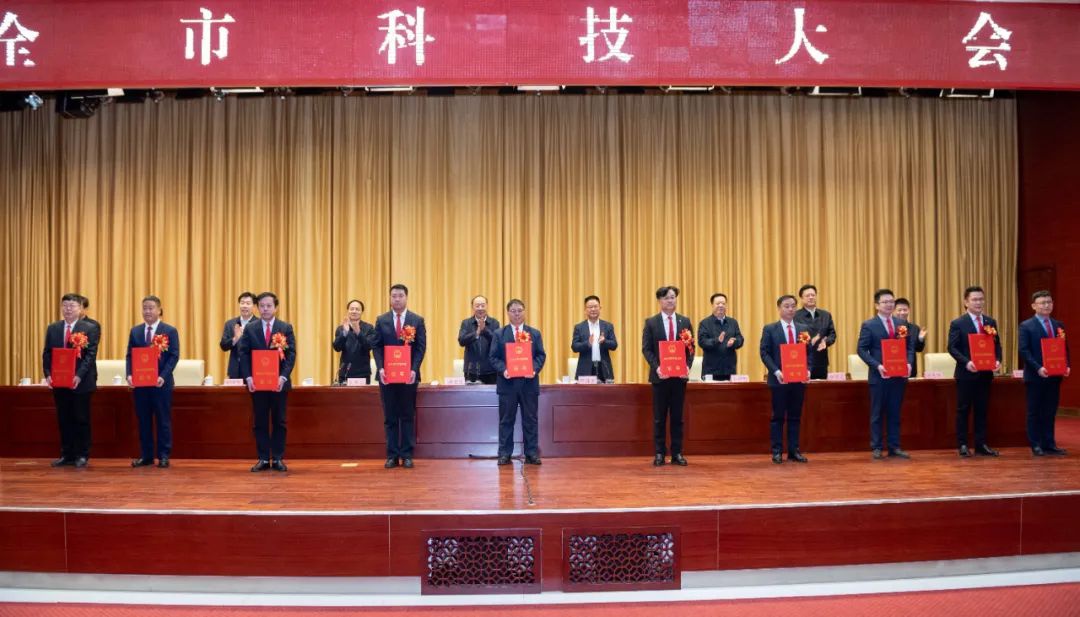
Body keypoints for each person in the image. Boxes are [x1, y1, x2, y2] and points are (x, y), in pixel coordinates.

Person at [238, 292, 296, 472]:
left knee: (279, 421)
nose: (265, 309)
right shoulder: (250, 328)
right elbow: (243, 353)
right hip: (258, 384)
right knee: (260, 421)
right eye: (262, 306)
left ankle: (278, 458)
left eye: (269, 306)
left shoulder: (285, 327)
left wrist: (283, 377)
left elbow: (291, 355)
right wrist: (248, 377)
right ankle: (263, 458)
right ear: (258, 308)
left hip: (279, 384)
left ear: (275, 307)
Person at [42, 293, 101, 468]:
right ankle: (66, 454)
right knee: (64, 418)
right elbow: (47, 353)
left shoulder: (89, 328)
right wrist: (48, 374)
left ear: (80, 308)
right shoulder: (53, 328)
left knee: (81, 418)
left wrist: (78, 375)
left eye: (72, 306)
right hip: (59, 381)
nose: (68, 309)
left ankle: (82, 454)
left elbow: (90, 356)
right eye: (65, 305)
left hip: (81, 381)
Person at [372, 284, 427, 469]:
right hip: (387, 377)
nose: (397, 299)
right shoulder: (381, 320)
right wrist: (380, 368)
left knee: (407, 415)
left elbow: (420, 348)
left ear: (406, 297)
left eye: (400, 295)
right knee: (390, 416)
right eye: (394, 296)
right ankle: (392, 455)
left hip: (408, 377)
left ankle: (407, 455)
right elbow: (376, 346)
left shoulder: (416, 320)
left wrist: (414, 369)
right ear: (390, 298)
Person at [856, 289, 915, 460]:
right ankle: (876, 447)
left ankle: (894, 446)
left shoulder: (901, 323)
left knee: (895, 412)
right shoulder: (869, 325)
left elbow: (909, 347)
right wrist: (877, 366)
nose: (889, 305)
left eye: (891, 302)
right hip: (879, 376)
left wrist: (909, 363)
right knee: (877, 413)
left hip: (898, 376)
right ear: (877, 305)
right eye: (885, 302)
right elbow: (861, 350)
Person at [488, 299, 547, 466]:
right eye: (513, 311)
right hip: (507, 384)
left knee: (530, 420)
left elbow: (541, 355)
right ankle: (504, 454)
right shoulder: (499, 334)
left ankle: (531, 453)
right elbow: (493, 357)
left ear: (525, 311)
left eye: (520, 310)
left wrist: (534, 369)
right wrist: (504, 370)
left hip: (529, 384)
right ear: (508, 313)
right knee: (506, 420)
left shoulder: (534, 333)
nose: (517, 313)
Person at [641, 286, 694, 466]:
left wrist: (687, 366)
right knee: (659, 418)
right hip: (660, 378)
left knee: (678, 417)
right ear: (659, 301)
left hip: (679, 378)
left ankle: (677, 453)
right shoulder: (651, 323)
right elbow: (646, 349)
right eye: (666, 298)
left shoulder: (684, 321)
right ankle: (659, 453)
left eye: (672, 297)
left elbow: (690, 348)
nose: (670, 300)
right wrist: (657, 368)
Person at [125, 295, 180, 468]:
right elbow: (130, 355)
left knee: (163, 420)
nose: (147, 311)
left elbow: (174, 356)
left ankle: (164, 456)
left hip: (161, 384)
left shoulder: (169, 330)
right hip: (141, 384)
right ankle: (146, 455)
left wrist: (163, 376)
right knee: (143, 420)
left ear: (159, 310)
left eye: (151, 308)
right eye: (144, 308)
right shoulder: (135, 331)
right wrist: (129, 375)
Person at [947, 285, 1002, 458]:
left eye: (981, 299)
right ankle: (963, 444)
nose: (979, 302)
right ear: (966, 302)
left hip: (985, 374)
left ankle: (981, 444)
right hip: (966, 374)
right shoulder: (958, 323)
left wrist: (997, 360)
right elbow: (952, 348)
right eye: (975, 299)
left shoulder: (990, 322)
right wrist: (967, 362)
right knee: (963, 409)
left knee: (982, 409)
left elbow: (997, 345)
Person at [1018, 290, 1071, 456]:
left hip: (1054, 376)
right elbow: (1024, 350)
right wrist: (1038, 368)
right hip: (1036, 376)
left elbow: (1064, 348)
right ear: (1034, 306)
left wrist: (1066, 365)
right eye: (1042, 303)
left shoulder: (1058, 325)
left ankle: (1049, 444)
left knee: (1050, 411)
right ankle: (1036, 444)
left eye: (1049, 302)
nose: (1046, 305)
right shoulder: (1026, 326)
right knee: (1034, 411)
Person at [760, 294, 810, 464]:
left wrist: (808, 369)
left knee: (795, 417)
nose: (790, 309)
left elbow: (809, 353)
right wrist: (776, 371)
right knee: (778, 417)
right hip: (779, 380)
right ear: (779, 308)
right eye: (786, 306)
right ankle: (777, 451)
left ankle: (794, 451)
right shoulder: (770, 329)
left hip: (798, 380)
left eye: (793, 306)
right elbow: (764, 353)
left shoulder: (803, 328)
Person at [571, 295, 618, 381]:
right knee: (585, 391)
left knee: (606, 390)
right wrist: (587, 343)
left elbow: (614, 345)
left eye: (595, 306)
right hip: (585, 369)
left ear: (600, 308)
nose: (593, 309)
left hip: (604, 369)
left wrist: (604, 341)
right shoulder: (579, 327)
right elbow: (574, 347)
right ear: (585, 310)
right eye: (590, 307)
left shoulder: (608, 326)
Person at [698, 293, 744, 381]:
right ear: (712, 305)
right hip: (711, 371)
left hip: (729, 370)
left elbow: (740, 339)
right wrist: (717, 340)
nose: (721, 306)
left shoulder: (733, 322)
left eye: (723, 303)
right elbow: (702, 342)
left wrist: (734, 342)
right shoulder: (705, 323)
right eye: (718, 303)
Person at [794, 284, 837, 380]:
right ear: (801, 298)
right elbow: (794, 337)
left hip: (821, 360)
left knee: (821, 388)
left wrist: (826, 342)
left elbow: (832, 334)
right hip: (803, 361)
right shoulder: (796, 316)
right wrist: (810, 342)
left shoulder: (825, 315)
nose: (811, 297)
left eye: (813, 295)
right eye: (807, 295)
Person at [457, 295, 500, 384]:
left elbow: (497, 342)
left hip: (491, 370)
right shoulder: (466, 323)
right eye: (477, 306)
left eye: (483, 305)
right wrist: (476, 333)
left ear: (487, 306)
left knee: (491, 393)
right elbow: (461, 341)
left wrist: (484, 330)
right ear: (472, 307)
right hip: (471, 370)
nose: (480, 308)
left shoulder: (494, 323)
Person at [332, 299, 375, 383]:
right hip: (345, 373)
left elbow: (369, 346)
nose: (354, 311)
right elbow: (337, 347)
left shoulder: (369, 328)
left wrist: (358, 332)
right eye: (352, 309)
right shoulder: (341, 328)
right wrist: (344, 333)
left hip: (363, 373)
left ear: (362, 312)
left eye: (357, 309)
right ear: (348, 311)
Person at [220, 292, 257, 380]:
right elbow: (223, 346)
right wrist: (235, 338)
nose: (244, 306)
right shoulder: (230, 324)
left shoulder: (259, 324)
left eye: (248, 303)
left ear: (254, 306)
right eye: (242, 303)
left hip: (254, 370)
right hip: (235, 370)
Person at [893, 298, 928, 378]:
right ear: (893, 311)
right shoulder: (888, 327)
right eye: (899, 310)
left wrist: (920, 339)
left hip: (910, 370)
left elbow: (919, 349)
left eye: (905, 310)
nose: (902, 312)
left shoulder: (914, 328)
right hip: (892, 368)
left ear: (909, 310)